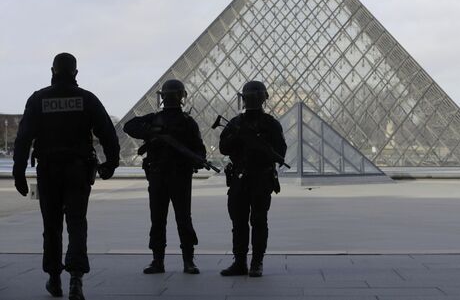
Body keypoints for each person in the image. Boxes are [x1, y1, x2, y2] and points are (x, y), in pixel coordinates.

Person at [12, 53, 120, 300]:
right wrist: (111, 163)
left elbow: (23, 138)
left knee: (51, 226)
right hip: (78, 170)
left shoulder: (38, 99)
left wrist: (18, 170)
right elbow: (108, 134)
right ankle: (76, 279)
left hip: (48, 170)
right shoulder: (87, 99)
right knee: (76, 223)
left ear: (52, 70)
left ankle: (54, 279)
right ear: (76, 73)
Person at [123, 79, 206, 275]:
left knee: (160, 220)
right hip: (173, 177)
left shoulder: (156, 119)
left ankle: (159, 261)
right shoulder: (184, 122)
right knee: (181, 219)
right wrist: (155, 134)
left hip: (163, 176)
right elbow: (199, 148)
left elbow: (129, 126)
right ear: (182, 96)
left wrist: (198, 158)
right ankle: (187, 261)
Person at [219, 80, 287, 277]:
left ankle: (256, 262)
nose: (253, 100)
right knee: (240, 222)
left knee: (257, 221)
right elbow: (224, 147)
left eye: (253, 97)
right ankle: (241, 262)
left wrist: (261, 148)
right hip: (241, 177)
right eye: (251, 97)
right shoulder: (236, 124)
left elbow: (280, 153)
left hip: (260, 177)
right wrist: (239, 138)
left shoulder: (270, 124)